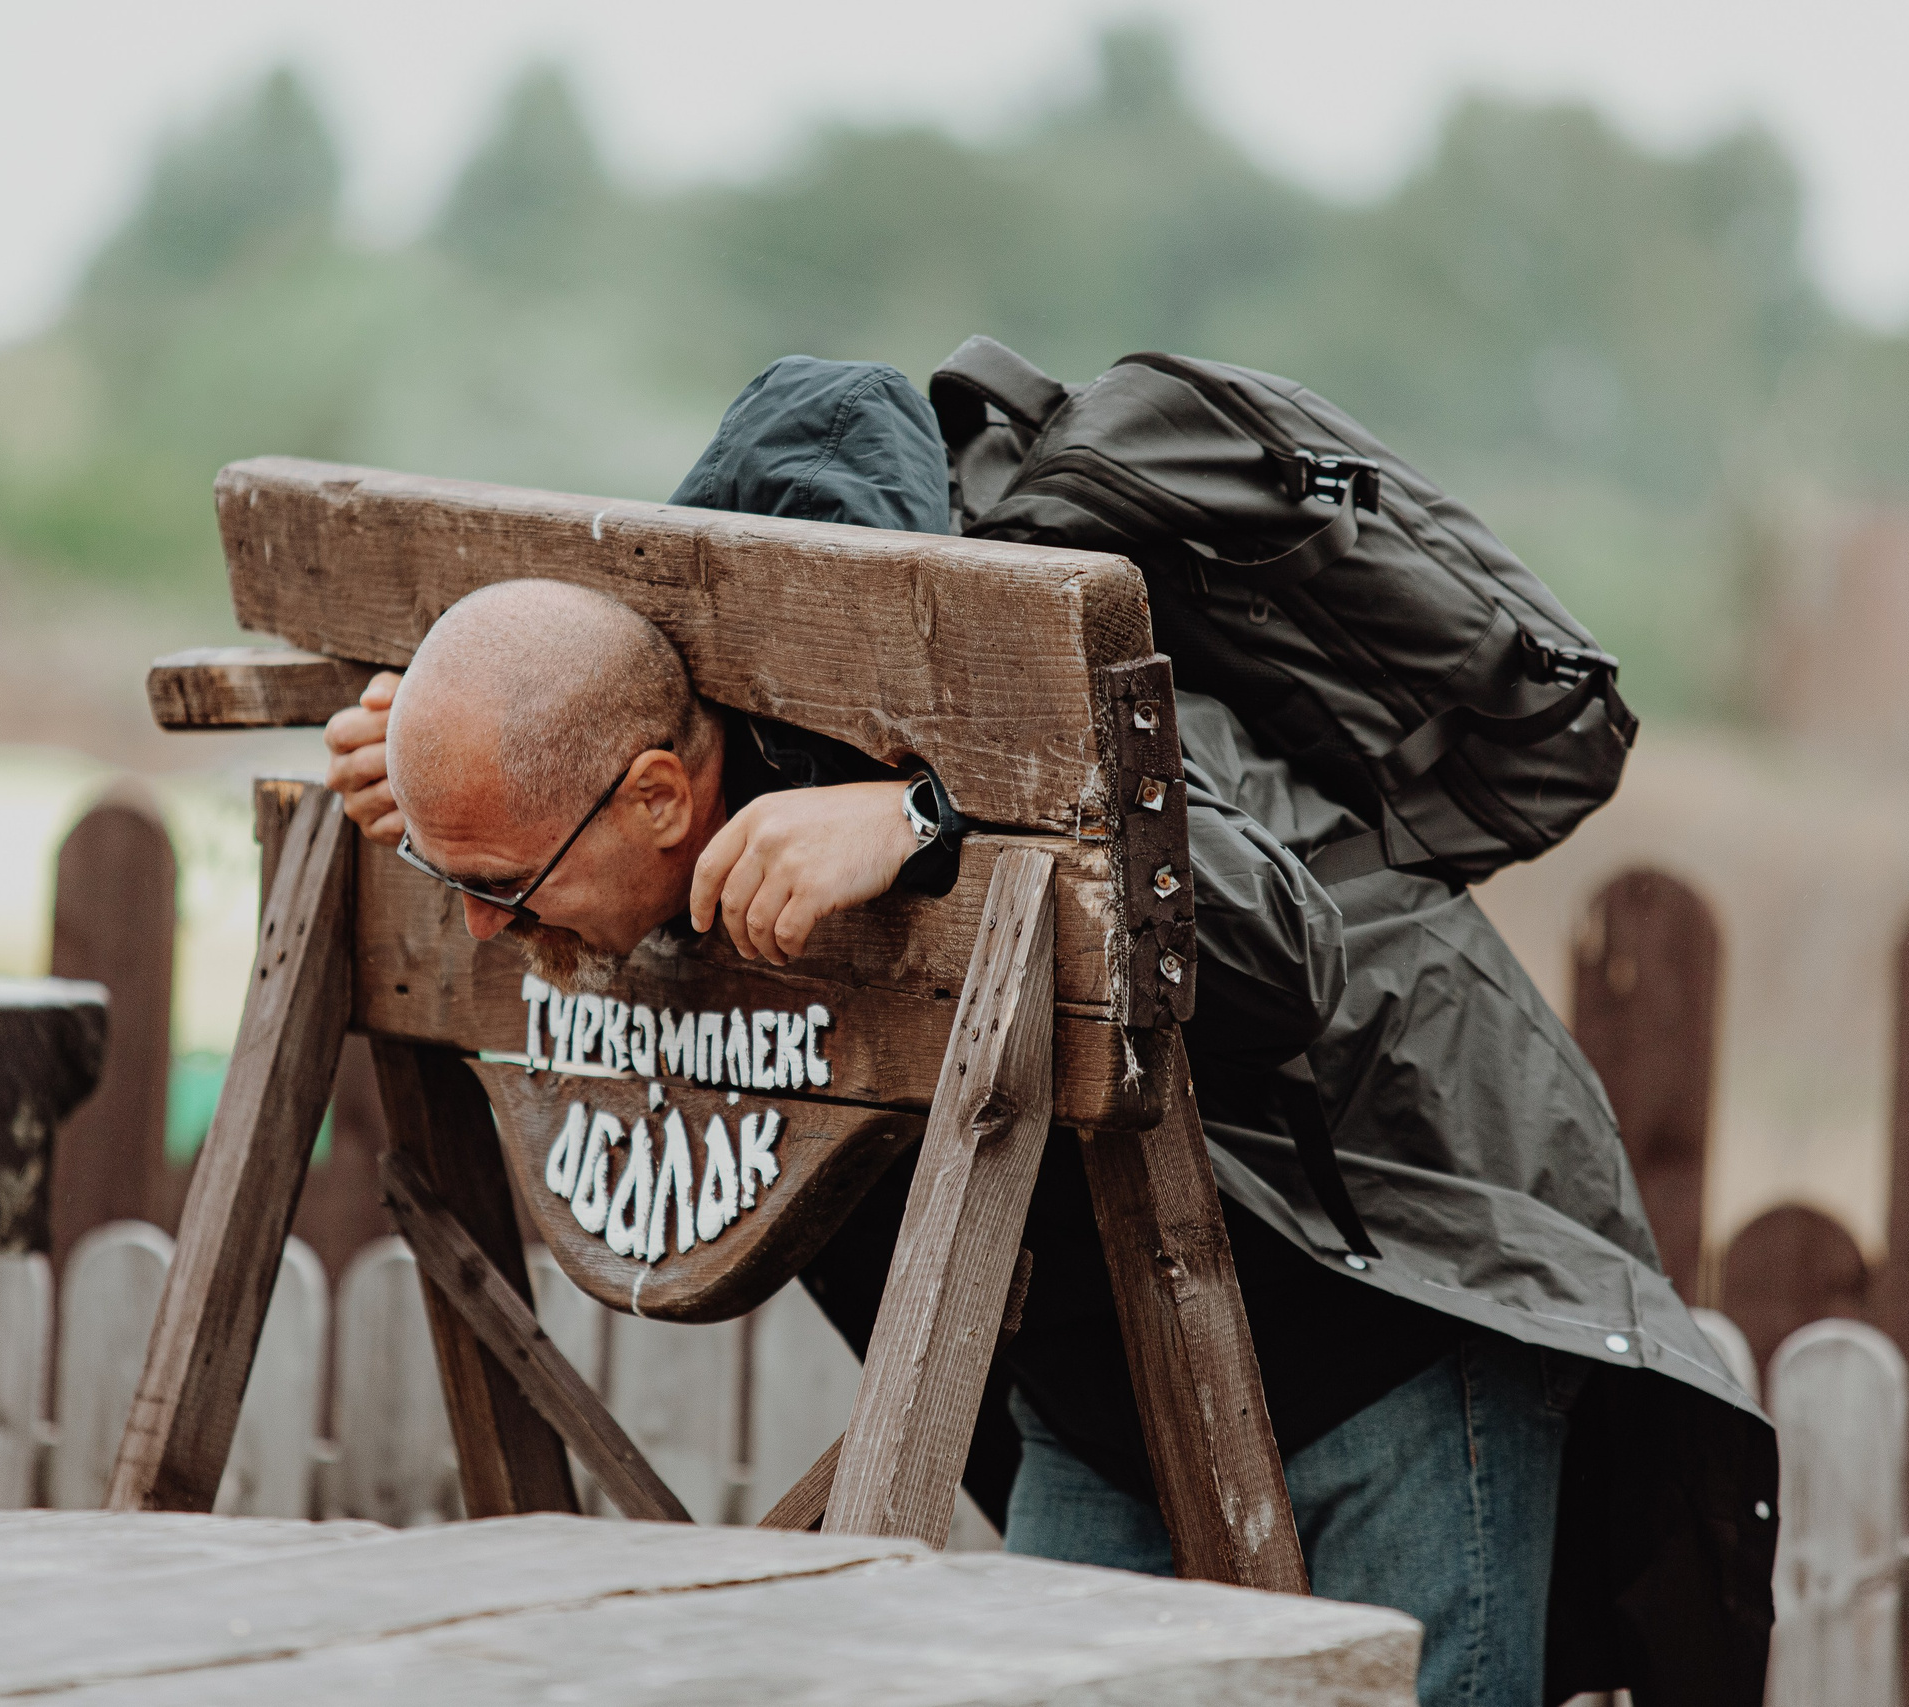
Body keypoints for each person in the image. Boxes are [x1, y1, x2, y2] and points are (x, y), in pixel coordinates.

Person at [324, 356, 1772, 1707]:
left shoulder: (1013, 657)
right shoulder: (676, 712)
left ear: (655, 797)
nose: (485, 930)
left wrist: (926, 822)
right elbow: (548, 735)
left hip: (1391, 1305)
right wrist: (446, 782)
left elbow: (1281, 955)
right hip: (1118, 1370)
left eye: (500, 887)